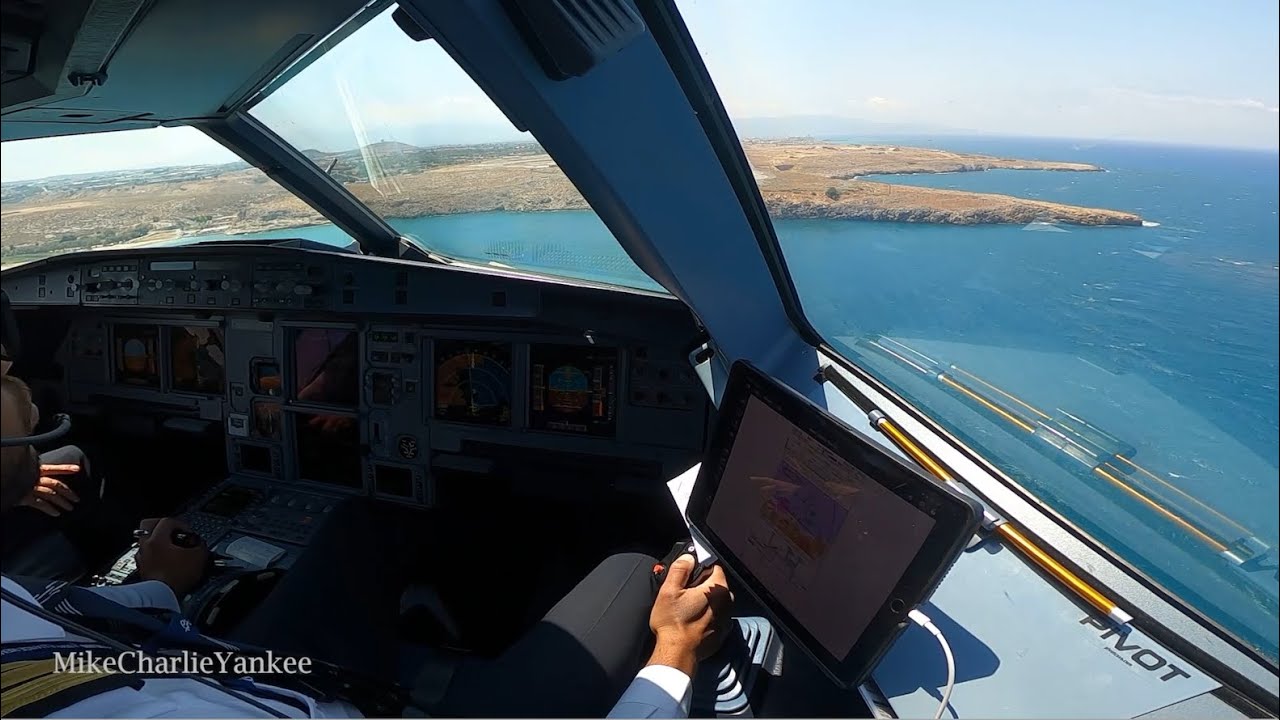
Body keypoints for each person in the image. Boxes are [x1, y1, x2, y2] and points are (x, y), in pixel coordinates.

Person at [2, 374, 733, 718]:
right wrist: (670, 655)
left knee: (365, 521)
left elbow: (57, 634)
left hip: (204, 663)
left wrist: (159, 588)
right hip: (266, 693)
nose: (21, 386)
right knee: (639, 570)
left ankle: (453, 630)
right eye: (3, 374)